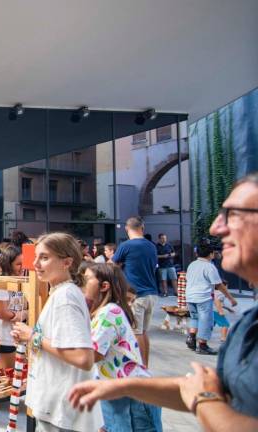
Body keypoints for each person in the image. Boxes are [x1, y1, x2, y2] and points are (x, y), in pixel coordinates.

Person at [68, 172, 258, 432]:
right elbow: (205, 388)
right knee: (140, 333)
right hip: (150, 294)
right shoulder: (247, 325)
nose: (216, 227)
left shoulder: (113, 296)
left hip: (137, 297)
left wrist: (204, 401)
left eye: (233, 214)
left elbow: (206, 395)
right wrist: (121, 385)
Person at [11, 232, 97, 432]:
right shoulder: (62, 293)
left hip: (61, 411)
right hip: (58, 408)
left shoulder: (65, 298)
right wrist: (31, 337)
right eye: (36, 257)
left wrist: (33, 337)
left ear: (67, 262)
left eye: (44, 257)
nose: (36, 264)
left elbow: (83, 358)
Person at [81, 262, 163, 432]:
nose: (80, 283)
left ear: (104, 286)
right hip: (115, 391)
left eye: (86, 279)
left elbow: (90, 357)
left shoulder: (109, 312)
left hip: (135, 394)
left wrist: (38, 339)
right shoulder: (99, 313)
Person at [112, 216, 158, 367]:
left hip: (136, 295)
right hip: (152, 294)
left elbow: (112, 266)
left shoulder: (126, 246)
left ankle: (140, 367)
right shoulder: (151, 246)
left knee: (135, 332)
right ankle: (146, 365)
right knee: (143, 332)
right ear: (142, 227)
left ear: (126, 228)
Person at [184, 240, 238, 355]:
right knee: (205, 320)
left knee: (195, 318)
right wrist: (230, 298)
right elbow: (219, 285)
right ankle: (202, 345)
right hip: (203, 297)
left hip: (189, 297)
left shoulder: (192, 265)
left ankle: (191, 339)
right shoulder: (209, 267)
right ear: (211, 254)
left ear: (197, 253)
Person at [0, 246, 25, 371]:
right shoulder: (0, 282)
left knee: (11, 374)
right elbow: (1, 313)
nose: (22, 267)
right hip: (1, 334)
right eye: (18, 264)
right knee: (8, 374)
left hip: (11, 333)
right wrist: (21, 316)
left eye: (23, 263)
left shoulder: (17, 279)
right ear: (8, 264)